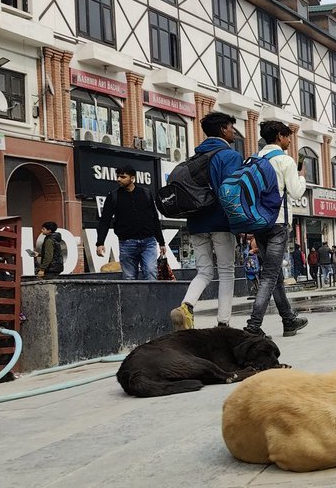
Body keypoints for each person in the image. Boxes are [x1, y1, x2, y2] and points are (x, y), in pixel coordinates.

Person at [169, 112, 242, 329]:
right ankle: (223, 323)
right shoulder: (229, 156)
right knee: (226, 271)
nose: (233, 132)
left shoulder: (195, 158)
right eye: (231, 127)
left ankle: (186, 306)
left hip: (195, 222)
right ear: (222, 130)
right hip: (220, 221)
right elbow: (230, 192)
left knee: (204, 271)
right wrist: (239, 223)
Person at [243, 120, 309, 338]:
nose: (289, 140)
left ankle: (289, 321)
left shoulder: (252, 159)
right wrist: (302, 177)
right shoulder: (284, 160)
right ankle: (253, 325)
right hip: (277, 224)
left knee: (276, 275)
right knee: (270, 276)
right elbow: (296, 193)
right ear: (279, 136)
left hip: (257, 224)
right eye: (288, 136)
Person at [94, 165, 166, 280]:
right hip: (127, 243)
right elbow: (105, 220)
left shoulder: (146, 193)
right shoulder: (113, 196)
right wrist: (100, 242)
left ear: (132, 178)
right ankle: (133, 298)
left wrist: (161, 242)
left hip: (148, 242)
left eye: (123, 177)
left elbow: (154, 218)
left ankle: (149, 298)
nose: (118, 179)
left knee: (151, 272)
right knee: (129, 277)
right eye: (117, 176)